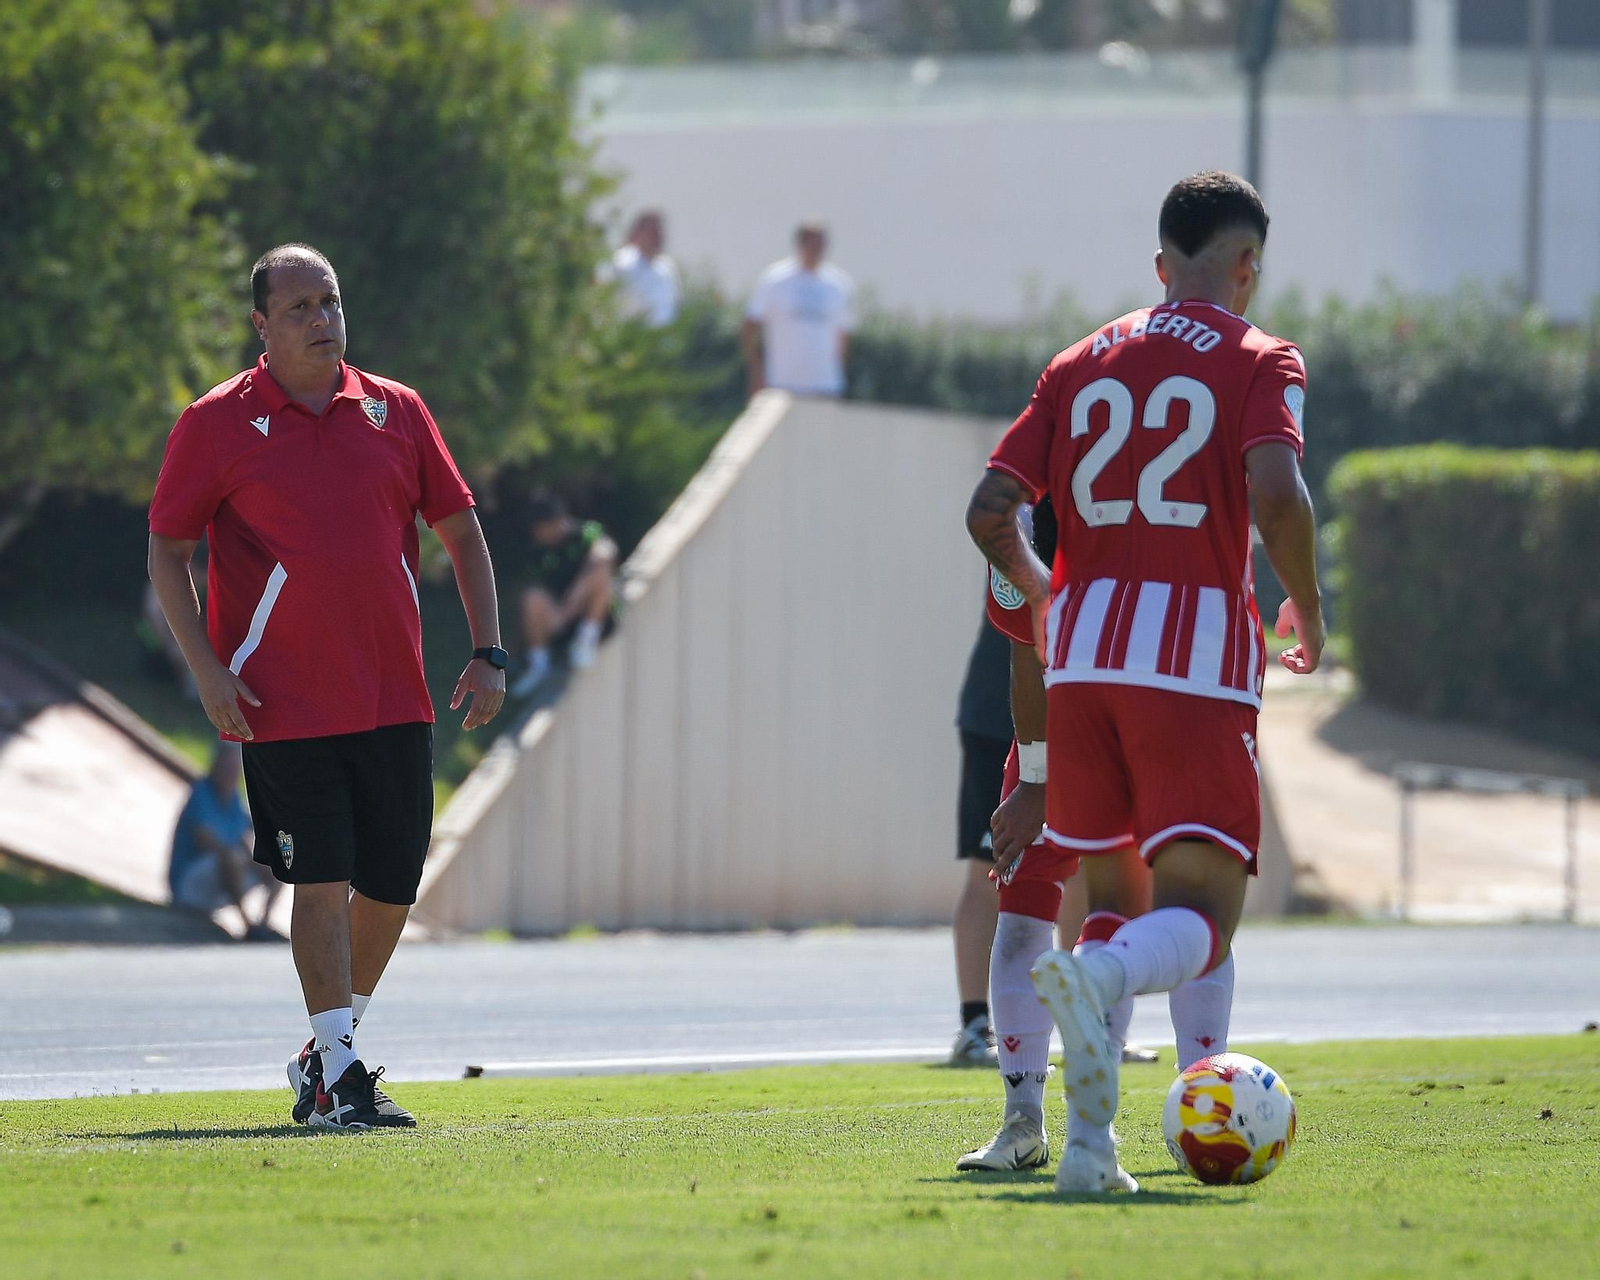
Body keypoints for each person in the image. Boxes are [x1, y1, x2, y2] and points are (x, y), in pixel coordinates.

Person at [965, 171, 1323, 1193]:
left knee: (1112, 901)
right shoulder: (1263, 356)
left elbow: (991, 506)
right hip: (1192, 662)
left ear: (1160, 264)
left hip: (1079, 665)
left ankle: (1088, 1150)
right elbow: (1276, 488)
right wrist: (1312, 604)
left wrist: (1050, 598)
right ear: (1245, 266)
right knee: (1200, 914)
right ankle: (1101, 980)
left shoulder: (1078, 362)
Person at [148, 243, 507, 1130]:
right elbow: (168, 550)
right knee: (323, 879)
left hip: (394, 698)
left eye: (331, 302)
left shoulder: (397, 411)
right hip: (282, 703)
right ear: (261, 324)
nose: (321, 320)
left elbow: (461, 534)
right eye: (300, 307)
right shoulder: (215, 422)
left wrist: (489, 650)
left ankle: (325, 1055)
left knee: (390, 887)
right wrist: (206, 667)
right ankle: (342, 1074)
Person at [508, 491, 618, 699]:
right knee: (531, 597)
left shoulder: (584, 533)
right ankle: (538, 664)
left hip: (593, 613)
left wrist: (575, 596)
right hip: (560, 619)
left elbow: (606, 552)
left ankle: (587, 638)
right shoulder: (539, 553)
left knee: (600, 570)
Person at [169, 742, 281, 940]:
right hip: (189, 882)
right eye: (226, 767)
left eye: (234, 769)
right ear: (215, 765)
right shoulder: (201, 793)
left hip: (219, 877)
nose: (230, 774)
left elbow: (250, 834)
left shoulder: (235, 799)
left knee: (278, 863)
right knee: (233, 858)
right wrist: (242, 856)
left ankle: (263, 923)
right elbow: (204, 840)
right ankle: (247, 925)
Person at [741, 221, 853, 400]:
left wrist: (840, 376)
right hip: (782, 384)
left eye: (820, 244)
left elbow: (842, 337)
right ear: (800, 244)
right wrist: (756, 374)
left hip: (825, 386)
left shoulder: (837, 285)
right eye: (811, 243)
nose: (816, 250)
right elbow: (750, 327)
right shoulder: (775, 280)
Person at [602, 209, 679, 327]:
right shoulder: (622, 262)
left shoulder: (667, 268)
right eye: (652, 232)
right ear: (639, 233)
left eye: (660, 232)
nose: (657, 238)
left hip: (661, 338)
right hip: (629, 334)